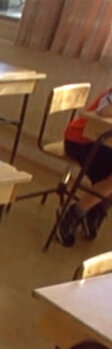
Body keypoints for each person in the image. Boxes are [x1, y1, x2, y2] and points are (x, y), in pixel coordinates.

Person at [57, 84, 112, 246]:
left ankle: (94, 210)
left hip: (104, 144)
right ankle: (75, 214)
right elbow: (105, 111)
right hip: (81, 140)